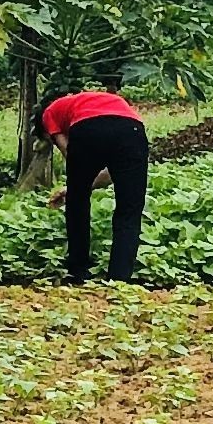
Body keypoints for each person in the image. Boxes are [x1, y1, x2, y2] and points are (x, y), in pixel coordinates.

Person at [40, 86, 148, 283]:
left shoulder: (49, 112)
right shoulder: (104, 101)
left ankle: (79, 271)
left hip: (88, 128)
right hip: (132, 130)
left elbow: (68, 152)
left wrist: (74, 189)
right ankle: (119, 280)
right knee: (129, 210)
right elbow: (112, 174)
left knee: (77, 203)